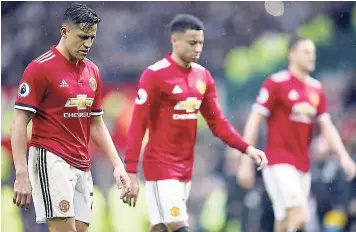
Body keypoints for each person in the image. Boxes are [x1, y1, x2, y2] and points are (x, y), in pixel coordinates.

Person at [124, 14, 268, 232]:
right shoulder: (155, 75)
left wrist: (246, 148)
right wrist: (131, 172)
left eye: (201, 42)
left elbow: (218, 123)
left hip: (185, 166)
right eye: (192, 43)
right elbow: (137, 125)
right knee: (179, 224)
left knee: (162, 226)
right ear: (175, 41)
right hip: (160, 166)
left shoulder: (203, 77)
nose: (198, 48)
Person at [11, 3, 131, 232]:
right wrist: (21, 173)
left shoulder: (92, 71)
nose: (88, 44)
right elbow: (18, 121)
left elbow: (95, 122)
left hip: (81, 162)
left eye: (92, 38)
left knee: (79, 229)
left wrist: (117, 165)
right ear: (64, 32)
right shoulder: (40, 69)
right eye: (83, 37)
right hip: (50, 158)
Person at [237, 36, 356, 232]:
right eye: (306, 52)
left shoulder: (316, 89)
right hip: (278, 162)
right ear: (291, 54)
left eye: (313, 53)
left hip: (302, 164)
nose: (311, 57)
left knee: (285, 222)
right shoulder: (276, 83)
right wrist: (245, 162)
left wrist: (343, 156)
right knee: (300, 214)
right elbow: (254, 120)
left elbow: (327, 126)